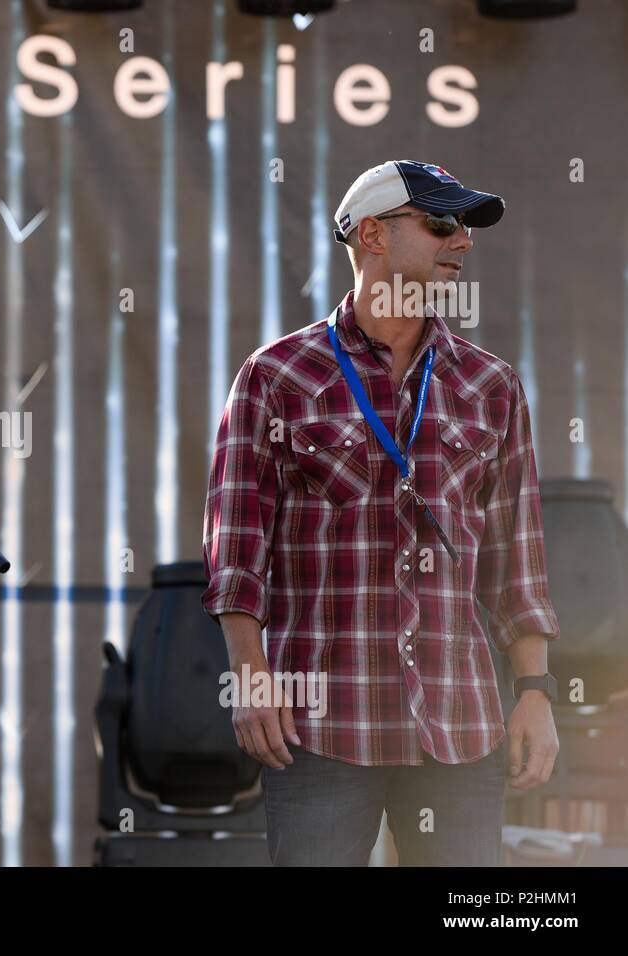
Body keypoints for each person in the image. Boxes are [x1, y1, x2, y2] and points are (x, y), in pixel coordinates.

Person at [201, 160, 562, 866]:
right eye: (440, 224)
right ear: (371, 235)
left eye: (463, 225)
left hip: (459, 729)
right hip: (321, 729)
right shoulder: (277, 376)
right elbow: (236, 550)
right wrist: (250, 681)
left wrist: (535, 694)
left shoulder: (492, 385)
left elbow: (518, 562)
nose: (462, 240)